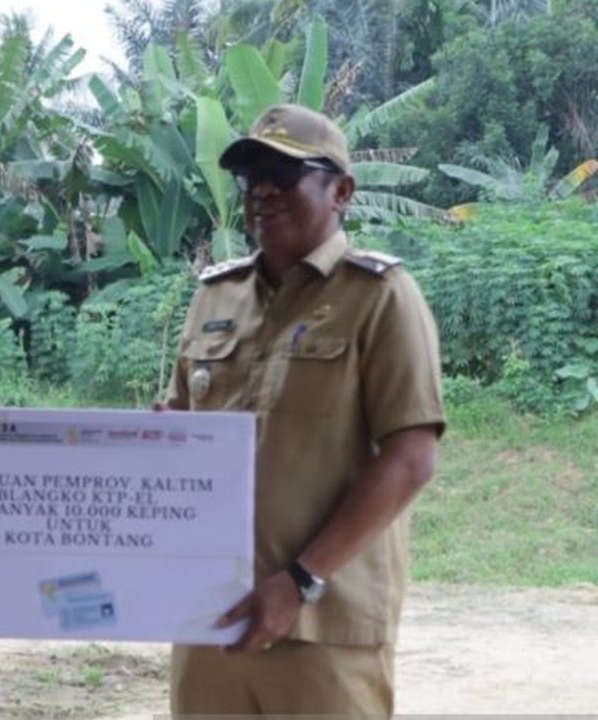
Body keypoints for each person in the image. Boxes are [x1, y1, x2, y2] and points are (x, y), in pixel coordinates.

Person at [163, 104, 445, 715]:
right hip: (212, 620)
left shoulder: (381, 298)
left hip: (324, 624)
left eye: (285, 174)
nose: (263, 190)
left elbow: (411, 457)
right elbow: (178, 431)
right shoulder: (216, 296)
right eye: (252, 176)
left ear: (342, 190)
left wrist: (299, 582)